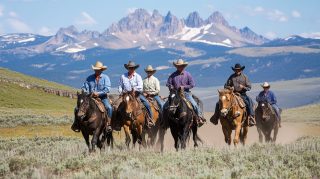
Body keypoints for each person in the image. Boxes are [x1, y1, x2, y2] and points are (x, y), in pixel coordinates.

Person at [71, 61, 112, 132]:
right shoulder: (89, 78)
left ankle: (108, 124)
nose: (97, 71)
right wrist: (86, 92)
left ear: (101, 70)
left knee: (109, 108)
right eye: (96, 69)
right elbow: (84, 87)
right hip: (90, 97)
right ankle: (76, 124)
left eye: (98, 69)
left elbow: (107, 89)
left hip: (102, 97)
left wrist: (98, 93)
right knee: (77, 108)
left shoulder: (106, 78)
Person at [166, 59, 205, 125]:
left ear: (183, 66)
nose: (179, 67)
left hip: (186, 93)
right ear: (176, 67)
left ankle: (199, 117)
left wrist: (184, 87)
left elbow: (192, 84)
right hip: (175, 94)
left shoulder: (187, 74)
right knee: (166, 106)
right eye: (178, 66)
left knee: (194, 104)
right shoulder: (173, 75)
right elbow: (168, 83)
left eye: (181, 66)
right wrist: (171, 86)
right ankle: (165, 121)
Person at [118, 61, 154, 126]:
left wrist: (134, 90)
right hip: (126, 95)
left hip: (136, 94)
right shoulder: (123, 76)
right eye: (130, 68)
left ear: (134, 68)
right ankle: (118, 122)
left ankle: (150, 120)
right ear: (128, 68)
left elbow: (140, 87)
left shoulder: (138, 76)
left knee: (147, 104)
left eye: (132, 68)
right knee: (119, 107)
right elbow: (120, 86)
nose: (131, 69)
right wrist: (121, 92)